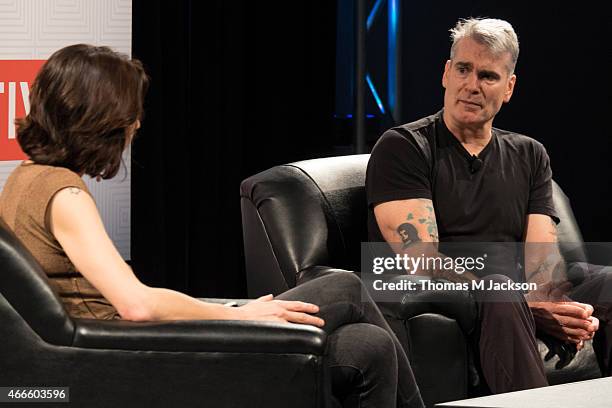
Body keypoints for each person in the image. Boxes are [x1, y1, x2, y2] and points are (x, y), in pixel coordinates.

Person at [0, 44, 424, 408]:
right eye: (130, 114)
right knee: (347, 287)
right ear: (99, 119)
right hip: (134, 354)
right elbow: (136, 306)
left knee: (370, 346)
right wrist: (241, 314)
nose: (137, 125)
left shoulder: (23, 179)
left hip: (124, 343)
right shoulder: (65, 195)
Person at [366, 17, 611, 394]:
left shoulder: (530, 154)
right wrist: (525, 305)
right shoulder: (404, 147)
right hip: (452, 293)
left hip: (514, 291)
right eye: (463, 69)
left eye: (488, 76)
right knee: (499, 290)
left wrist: (549, 302)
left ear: (509, 87)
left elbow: (540, 256)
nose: (472, 85)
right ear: (446, 73)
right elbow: (419, 255)